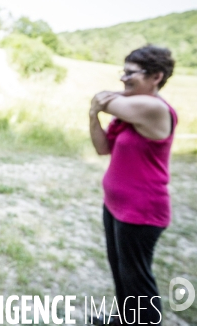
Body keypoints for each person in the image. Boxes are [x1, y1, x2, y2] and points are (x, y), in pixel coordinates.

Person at [89, 45, 176, 325]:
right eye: (122, 71)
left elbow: (103, 100)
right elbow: (103, 148)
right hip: (116, 206)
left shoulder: (154, 108)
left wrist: (98, 102)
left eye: (131, 73)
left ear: (156, 77)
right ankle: (123, 320)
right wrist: (93, 116)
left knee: (139, 286)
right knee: (122, 275)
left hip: (142, 213)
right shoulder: (128, 116)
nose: (123, 79)